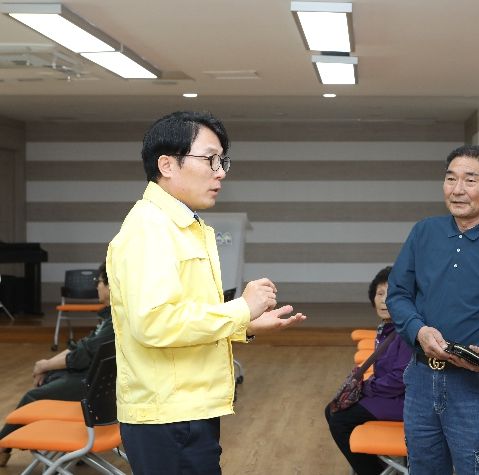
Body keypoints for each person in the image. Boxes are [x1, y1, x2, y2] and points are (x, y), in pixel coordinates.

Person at [106, 111, 306, 474]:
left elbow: (185, 315)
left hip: (187, 406)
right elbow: (154, 323)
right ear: (167, 164)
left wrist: (244, 325)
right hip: (167, 414)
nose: (220, 172)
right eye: (210, 159)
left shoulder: (180, 224)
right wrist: (241, 309)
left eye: (222, 161)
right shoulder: (150, 229)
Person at [387, 144, 479, 474]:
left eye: (470, 180)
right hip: (420, 380)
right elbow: (397, 295)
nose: (457, 189)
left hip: (474, 388)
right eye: (450, 178)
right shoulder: (424, 232)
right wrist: (418, 330)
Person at [0, 262, 114, 467]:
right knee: (52, 377)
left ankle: (2, 447)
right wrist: (46, 365)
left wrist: (45, 365)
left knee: (33, 397)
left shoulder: (114, 322)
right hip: (97, 383)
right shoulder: (111, 317)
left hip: (93, 387)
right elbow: (82, 347)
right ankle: (73, 451)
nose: (96, 286)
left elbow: (82, 354)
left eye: (99, 282)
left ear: (110, 286)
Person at [325, 266, 413, 475]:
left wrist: (366, 388)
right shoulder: (388, 328)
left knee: (339, 419)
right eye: (379, 294)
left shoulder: (406, 332)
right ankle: (378, 468)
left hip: (406, 402)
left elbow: (400, 379)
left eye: (390, 294)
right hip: (391, 395)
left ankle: (371, 471)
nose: (383, 301)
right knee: (332, 409)